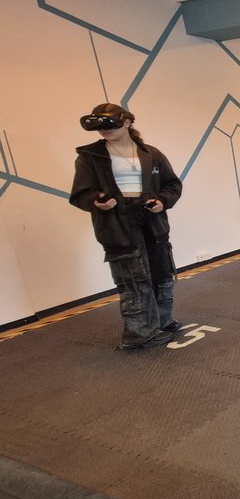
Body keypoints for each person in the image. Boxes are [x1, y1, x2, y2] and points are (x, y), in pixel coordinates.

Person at [69, 103, 183, 350]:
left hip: (151, 219)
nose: (104, 130)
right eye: (99, 127)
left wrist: (162, 201)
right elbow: (80, 193)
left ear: (128, 123)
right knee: (133, 276)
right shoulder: (90, 157)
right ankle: (139, 334)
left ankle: (163, 321)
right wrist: (97, 201)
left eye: (109, 125)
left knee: (161, 271)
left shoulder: (151, 154)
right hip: (117, 222)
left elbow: (172, 184)